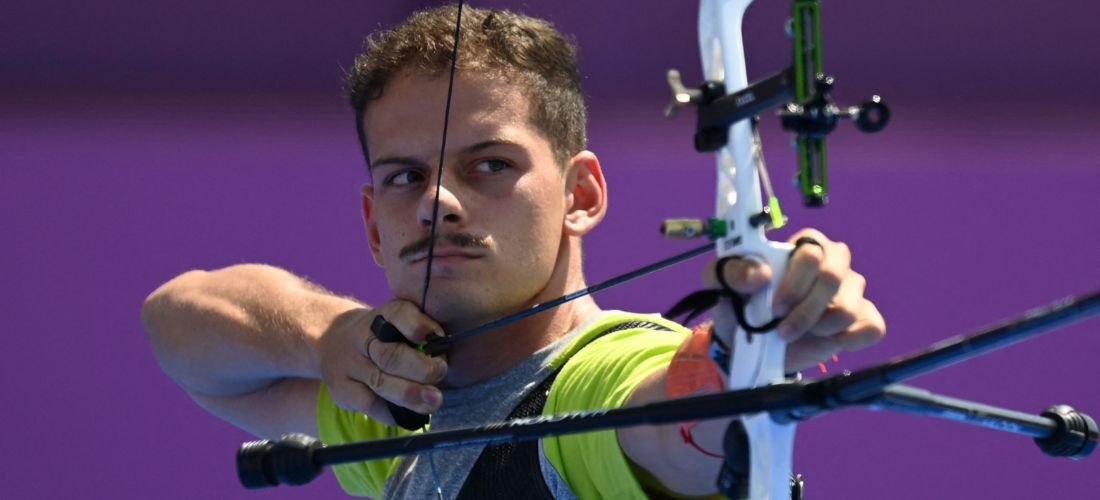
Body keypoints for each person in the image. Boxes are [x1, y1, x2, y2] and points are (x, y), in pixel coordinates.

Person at [142, 5, 885, 498]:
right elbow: (178, 322)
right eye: (406, 177)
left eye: (489, 164)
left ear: (581, 195)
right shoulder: (392, 408)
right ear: (374, 226)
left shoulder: (598, 377)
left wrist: (745, 345)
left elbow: (674, 422)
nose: (437, 200)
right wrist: (332, 336)